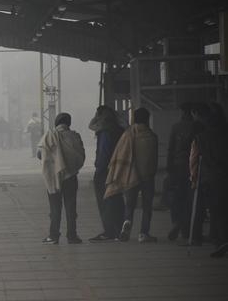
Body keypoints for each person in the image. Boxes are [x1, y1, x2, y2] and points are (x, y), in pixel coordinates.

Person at [105, 107, 159, 243]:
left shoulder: (127, 135)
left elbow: (120, 153)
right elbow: (154, 159)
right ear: (147, 119)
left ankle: (127, 222)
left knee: (129, 205)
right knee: (147, 206)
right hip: (148, 176)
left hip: (131, 175)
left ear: (134, 119)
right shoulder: (152, 136)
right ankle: (143, 233)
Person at [37, 113, 85, 245]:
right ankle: (72, 236)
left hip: (54, 178)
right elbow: (81, 156)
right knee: (71, 207)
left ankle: (53, 236)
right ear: (69, 123)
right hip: (71, 177)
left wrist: (54, 160)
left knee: (55, 207)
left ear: (57, 122)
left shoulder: (49, 135)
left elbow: (40, 154)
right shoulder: (75, 136)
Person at [189, 103, 228, 257]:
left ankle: (220, 240)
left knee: (216, 210)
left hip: (211, 178)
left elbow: (194, 160)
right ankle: (219, 239)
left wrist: (194, 178)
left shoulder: (201, 137)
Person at [88, 105, 125, 242]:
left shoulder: (105, 132)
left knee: (105, 201)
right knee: (117, 199)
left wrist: (99, 170)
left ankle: (109, 231)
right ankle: (119, 229)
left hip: (105, 171)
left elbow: (104, 153)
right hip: (119, 169)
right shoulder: (120, 130)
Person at [165, 102, 196, 241]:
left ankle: (176, 221)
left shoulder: (176, 127)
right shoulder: (198, 126)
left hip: (178, 166)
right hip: (194, 167)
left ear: (182, 112)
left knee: (177, 196)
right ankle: (187, 229)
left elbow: (170, 149)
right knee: (191, 198)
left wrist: (169, 167)